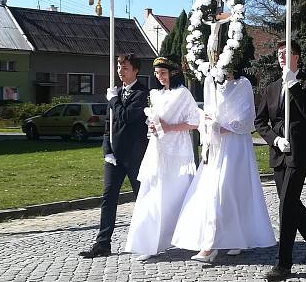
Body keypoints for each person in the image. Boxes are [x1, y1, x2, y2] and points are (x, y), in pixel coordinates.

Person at [173, 70, 275, 262]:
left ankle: (230, 239)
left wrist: (224, 126)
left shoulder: (242, 83)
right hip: (216, 145)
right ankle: (210, 244)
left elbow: (246, 117)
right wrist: (208, 124)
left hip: (235, 146)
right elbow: (208, 111)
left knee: (230, 190)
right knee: (211, 192)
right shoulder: (211, 82)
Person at [255, 40, 306, 282]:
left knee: (286, 205)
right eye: (279, 54)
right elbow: (260, 121)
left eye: (286, 53)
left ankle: (283, 264)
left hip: (298, 153)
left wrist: (293, 84)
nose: (282, 57)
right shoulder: (272, 88)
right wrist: (274, 140)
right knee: (291, 202)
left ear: (297, 56)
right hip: (279, 152)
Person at [123, 56, 199, 261]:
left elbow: (194, 122)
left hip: (177, 152)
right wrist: (153, 125)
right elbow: (153, 119)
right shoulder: (155, 94)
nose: (159, 77)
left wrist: (169, 127)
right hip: (157, 149)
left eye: (163, 73)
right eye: (157, 74)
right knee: (152, 194)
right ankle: (150, 242)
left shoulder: (183, 94)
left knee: (177, 194)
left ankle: (189, 236)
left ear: (173, 73)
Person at [80, 54, 149, 258]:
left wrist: (113, 100)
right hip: (114, 157)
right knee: (108, 198)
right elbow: (108, 126)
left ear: (135, 70)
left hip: (136, 156)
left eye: (125, 67)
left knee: (142, 199)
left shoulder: (142, 93)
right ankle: (103, 243)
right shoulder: (117, 92)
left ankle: (147, 240)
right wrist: (107, 150)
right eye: (119, 66)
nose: (120, 71)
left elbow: (127, 117)